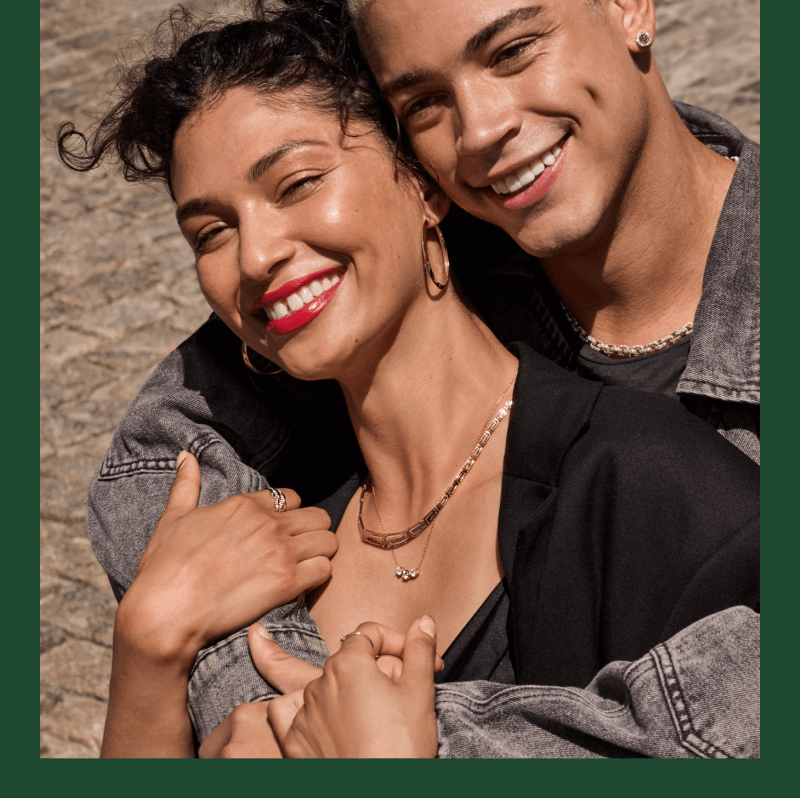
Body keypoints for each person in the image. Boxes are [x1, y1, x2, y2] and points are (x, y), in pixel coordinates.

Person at [59, 0, 759, 757]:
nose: (481, 129)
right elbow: (159, 448)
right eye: (211, 233)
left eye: (515, 48)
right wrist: (153, 644)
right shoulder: (273, 485)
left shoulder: (652, 481)